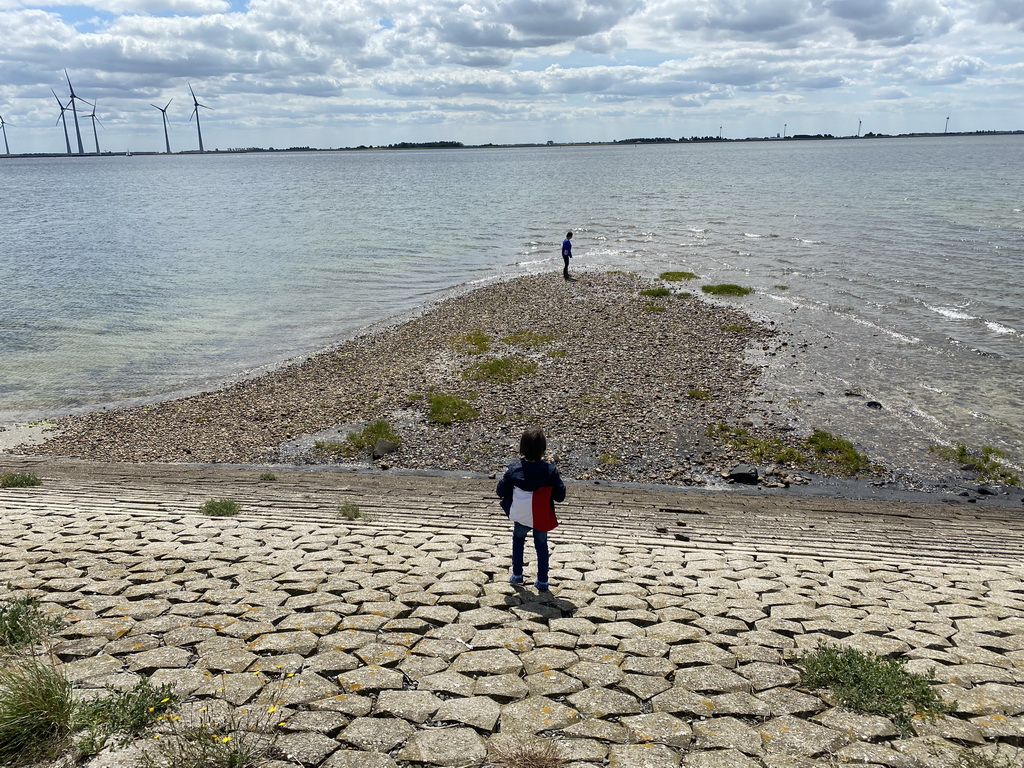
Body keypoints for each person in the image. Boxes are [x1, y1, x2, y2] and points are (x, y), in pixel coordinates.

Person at [497, 426, 566, 592]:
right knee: (541, 544)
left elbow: (500, 491)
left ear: (522, 448)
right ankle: (542, 580)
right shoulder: (551, 471)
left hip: (521, 514)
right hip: (541, 515)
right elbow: (560, 496)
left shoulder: (514, 470)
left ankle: (517, 574)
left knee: (518, 540)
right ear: (543, 450)